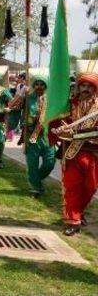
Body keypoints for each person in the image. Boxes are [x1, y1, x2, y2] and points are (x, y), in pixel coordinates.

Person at [50, 60, 98, 236]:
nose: (85, 89)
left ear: (95, 88)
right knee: (72, 187)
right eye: (82, 85)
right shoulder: (69, 104)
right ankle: (73, 220)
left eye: (89, 86)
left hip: (93, 154)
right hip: (71, 153)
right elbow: (57, 121)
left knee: (90, 188)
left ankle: (79, 211)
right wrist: (57, 128)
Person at [9, 68, 55, 199]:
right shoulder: (27, 97)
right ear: (33, 85)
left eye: (42, 84)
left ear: (46, 85)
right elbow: (12, 105)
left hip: (47, 137)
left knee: (49, 164)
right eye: (37, 84)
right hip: (31, 137)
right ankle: (36, 187)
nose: (39, 86)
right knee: (33, 165)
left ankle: (35, 179)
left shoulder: (51, 99)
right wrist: (22, 93)